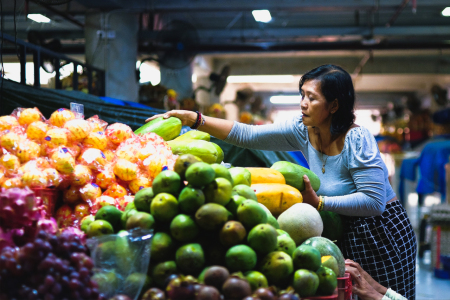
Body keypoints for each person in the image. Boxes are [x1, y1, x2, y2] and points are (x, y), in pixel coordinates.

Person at [146, 64, 417, 299]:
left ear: (334, 105)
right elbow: (247, 135)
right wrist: (195, 119)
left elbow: (374, 202)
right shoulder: (303, 130)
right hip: (345, 227)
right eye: (302, 95)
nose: (303, 103)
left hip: (381, 233)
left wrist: (320, 202)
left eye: (312, 98)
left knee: (381, 296)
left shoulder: (358, 140)